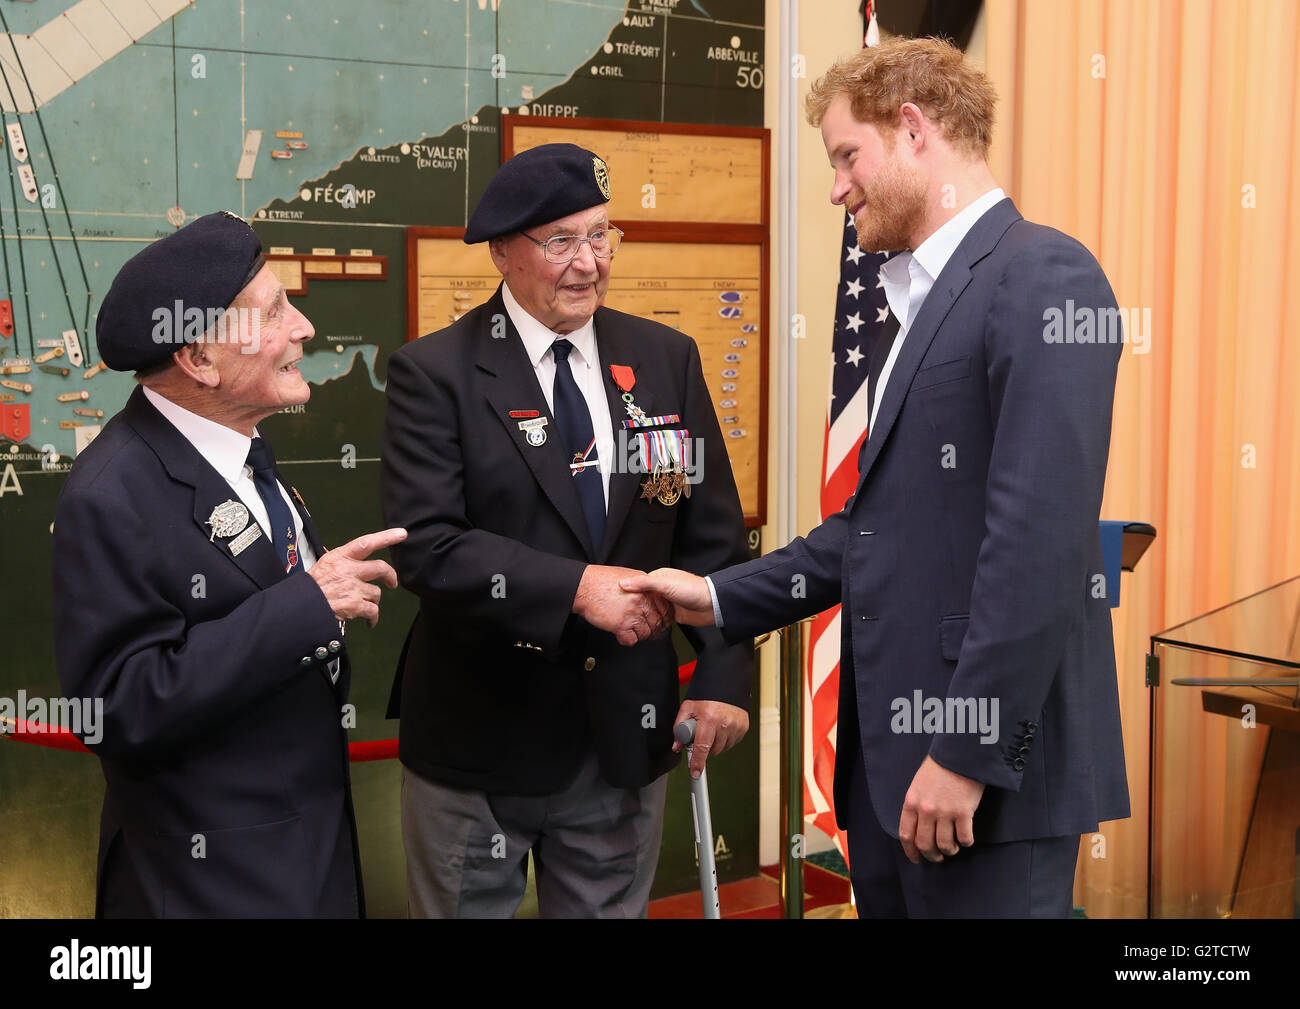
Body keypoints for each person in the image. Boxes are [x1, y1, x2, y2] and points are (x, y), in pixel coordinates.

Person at [625, 38, 1130, 917]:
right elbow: (871, 527)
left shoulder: (1045, 274)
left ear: (912, 129)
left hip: (978, 784)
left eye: (846, 156)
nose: (836, 187)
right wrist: (715, 593)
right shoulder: (921, 300)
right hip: (894, 777)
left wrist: (968, 754)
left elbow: (1040, 544)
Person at [381, 143, 752, 918]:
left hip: (623, 739)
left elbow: (711, 544)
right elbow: (428, 543)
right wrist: (578, 590)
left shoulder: (667, 360)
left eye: (601, 235)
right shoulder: (435, 374)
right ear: (504, 252)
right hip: (477, 747)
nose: (589, 263)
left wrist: (720, 680)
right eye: (561, 242)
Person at [53, 211, 406, 917]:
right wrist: (308, 602)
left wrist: (307, 596)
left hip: (307, 861)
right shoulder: (110, 494)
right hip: (208, 887)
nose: (303, 328)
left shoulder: (241, 448)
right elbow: (117, 706)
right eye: (274, 311)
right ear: (200, 360)